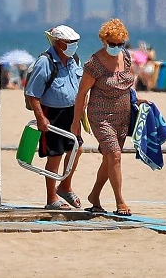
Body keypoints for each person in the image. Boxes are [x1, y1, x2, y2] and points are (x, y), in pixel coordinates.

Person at [72, 19, 146, 216]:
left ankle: (94, 196)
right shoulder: (94, 64)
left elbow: (127, 84)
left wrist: (137, 100)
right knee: (114, 155)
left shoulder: (127, 58)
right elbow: (82, 94)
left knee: (110, 157)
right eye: (112, 44)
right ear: (104, 41)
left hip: (123, 115)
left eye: (120, 44)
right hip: (100, 116)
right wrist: (75, 123)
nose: (116, 48)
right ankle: (120, 202)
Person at [24, 25, 83, 210]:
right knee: (55, 155)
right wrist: (41, 118)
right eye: (70, 42)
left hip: (72, 112)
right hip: (52, 113)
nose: (74, 45)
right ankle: (51, 199)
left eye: (75, 42)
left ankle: (65, 186)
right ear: (59, 43)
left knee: (77, 149)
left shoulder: (74, 59)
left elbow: (79, 85)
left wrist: (81, 114)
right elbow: (32, 94)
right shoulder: (45, 61)